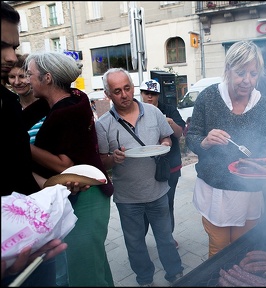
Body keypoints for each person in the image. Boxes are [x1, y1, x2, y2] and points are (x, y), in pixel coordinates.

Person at [0, 1, 79, 286]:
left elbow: (17, 169)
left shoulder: (66, 107)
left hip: (28, 243)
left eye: (14, 46)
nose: (11, 57)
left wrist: (52, 188)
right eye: (1, 46)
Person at [25, 51, 115, 286]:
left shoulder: (67, 111)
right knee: (93, 265)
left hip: (85, 197)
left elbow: (65, 164)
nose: (27, 80)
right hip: (83, 196)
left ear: (47, 78)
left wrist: (19, 144)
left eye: (31, 74)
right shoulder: (71, 101)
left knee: (85, 274)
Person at [185, 40, 266, 258]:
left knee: (243, 250)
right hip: (216, 190)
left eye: (253, 74)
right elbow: (192, 137)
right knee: (219, 251)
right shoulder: (209, 97)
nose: (247, 81)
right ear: (228, 70)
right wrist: (205, 142)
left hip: (250, 191)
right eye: (240, 73)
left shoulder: (263, 105)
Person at [95, 68, 184, 287]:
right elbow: (102, 160)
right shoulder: (103, 124)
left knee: (165, 238)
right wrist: (112, 159)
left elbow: (167, 136)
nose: (124, 95)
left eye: (127, 88)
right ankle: (145, 279)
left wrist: (165, 144)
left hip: (158, 191)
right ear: (108, 94)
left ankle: (176, 273)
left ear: (133, 87)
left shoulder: (153, 112)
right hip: (127, 197)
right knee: (135, 243)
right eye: (117, 91)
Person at [140, 78, 186, 249]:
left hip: (170, 167)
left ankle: (167, 238)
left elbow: (180, 133)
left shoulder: (169, 110)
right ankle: (141, 241)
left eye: (153, 94)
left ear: (158, 95)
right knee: (144, 206)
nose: (150, 97)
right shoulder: (136, 111)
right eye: (146, 93)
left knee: (167, 204)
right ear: (141, 94)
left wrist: (170, 122)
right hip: (145, 168)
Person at [7, 53, 45, 144]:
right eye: (12, 77)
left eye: (22, 76)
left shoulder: (47, 105)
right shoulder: (8, 107)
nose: (17, 82)